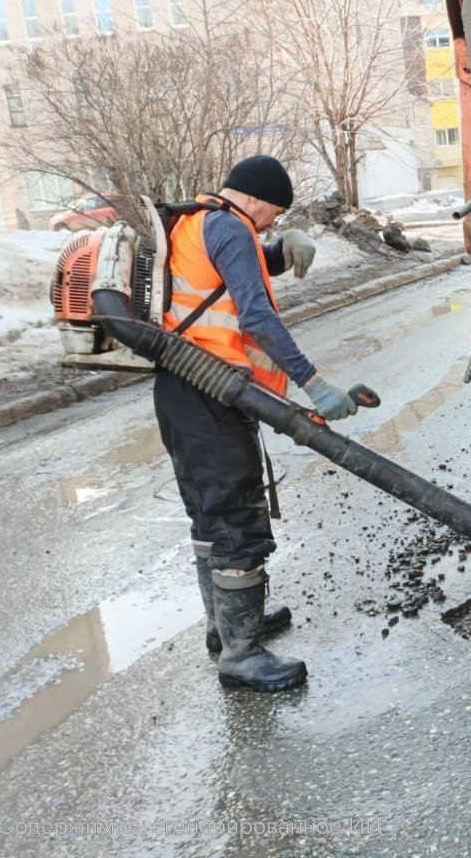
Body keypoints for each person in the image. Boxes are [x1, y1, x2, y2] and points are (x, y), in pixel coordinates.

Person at [155, 155, 359, 693]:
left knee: (208, 515)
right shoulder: (231, 226)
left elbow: (218, 281)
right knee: (234, 521)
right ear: (258, 198)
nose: (269, 224)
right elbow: (254, 315)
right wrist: (312, 381)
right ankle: (241, 655)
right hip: (209, 392)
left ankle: (225, 628)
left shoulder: (199, 221)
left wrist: (277, 252)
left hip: (183, 388)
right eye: (273, 215)